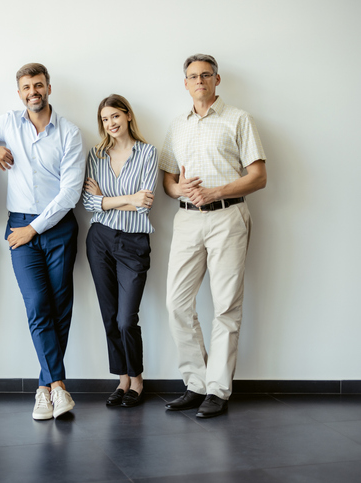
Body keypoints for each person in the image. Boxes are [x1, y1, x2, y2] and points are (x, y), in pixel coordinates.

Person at [0, 63, 84, 420]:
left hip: (57, 226)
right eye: (27, 86)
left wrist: (36, 229)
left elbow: (70, 192)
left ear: (48, 88)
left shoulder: (70, 133)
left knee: (60, 307)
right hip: (19, 227)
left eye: (39, 85)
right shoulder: (8, 123)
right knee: (37, 303)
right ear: (19, 92)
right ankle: (58, 386)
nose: (33, 91)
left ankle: (45, 388)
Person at [160, 54, 267, 418]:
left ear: (217, 80)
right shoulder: (177, 126)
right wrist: (180, 190)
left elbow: (259, 176)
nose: (199, 80)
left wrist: (216, 191)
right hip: (187, 220)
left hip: (228, 217)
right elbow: (168, 183)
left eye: (206, 75)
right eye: (192, 76)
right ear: (185, 83)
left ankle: (218, 390)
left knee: (225, 306)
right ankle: (196, 383)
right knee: (176, 302)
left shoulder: (239, 119)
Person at [83, 94, 158, 408]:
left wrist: (107, 199)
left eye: (115, 116)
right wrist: (127, 198)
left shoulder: (148, 152)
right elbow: (88, 203)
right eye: (104, 119)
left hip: (133, 242)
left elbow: (145, 204)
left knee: (127, 318)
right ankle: (122, 379)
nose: (110, 123)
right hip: (99, 239)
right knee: (109, 315)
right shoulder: (96, 154)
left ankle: (137, 378)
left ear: (128, 116)